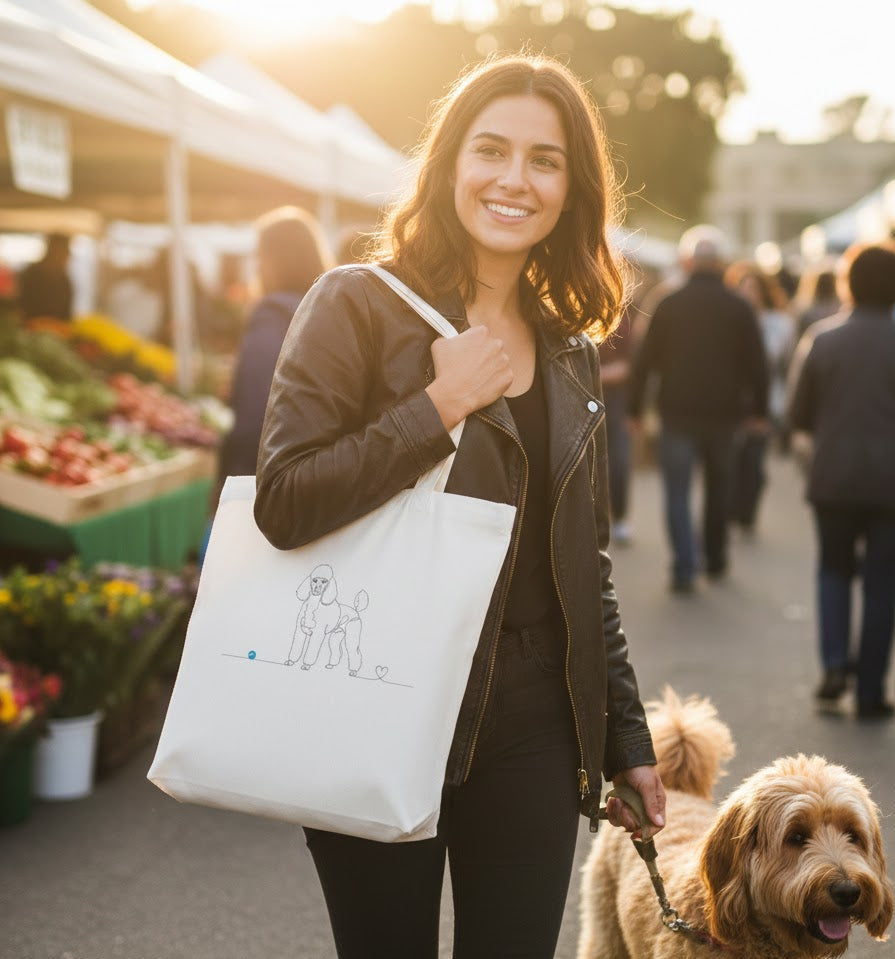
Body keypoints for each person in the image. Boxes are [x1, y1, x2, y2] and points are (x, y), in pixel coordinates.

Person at [253, 54, 666, 958]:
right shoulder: (354, 305)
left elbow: (582, 565)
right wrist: (434, 409)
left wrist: (623, 736)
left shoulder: (568, 349)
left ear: (572, 188)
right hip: (377, 690)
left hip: (532, 715)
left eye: (545, 159)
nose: (514, 179)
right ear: (448, 165)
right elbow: (283, 502)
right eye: (491, 150)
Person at [786, 242, 895, 721]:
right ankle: (870, 688)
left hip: (832, 476)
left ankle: (833, 667)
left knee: (833, 570)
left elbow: (798, 413)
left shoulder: (822, 339)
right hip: (890, 483)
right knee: (882, 583)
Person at [627, 225, 768, 593]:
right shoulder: (739, 306)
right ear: (721, 263)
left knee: (677, 490)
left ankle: (684, 566)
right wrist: (760, 410)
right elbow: (758, 363)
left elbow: (644, 362)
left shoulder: (668, 303)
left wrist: (634, 410)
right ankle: (716, 558)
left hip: (677, 412)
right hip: (726, 413)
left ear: (687, 261)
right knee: (719, 486)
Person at [214, 206, 333, 493]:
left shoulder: (271, 316)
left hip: (271, 482)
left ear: (274, 260)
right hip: (322, 471)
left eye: (259, 256)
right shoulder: (331, 310)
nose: (256, 267)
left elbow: (257, 411)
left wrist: (232, 478)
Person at [724, 259, 796, 529]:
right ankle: (731, 508)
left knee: (754, 462)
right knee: (731, 460)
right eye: (744, 288)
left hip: (767, 402)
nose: (749, 295)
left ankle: (747, 512)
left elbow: (783, 363)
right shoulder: (727, 320)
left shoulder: (780, 324)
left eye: (754, 289)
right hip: (731, 401)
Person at [599, 308, 635, 545]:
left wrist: (595, 373)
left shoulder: (626, 318)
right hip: (582, 396)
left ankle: (619, 518)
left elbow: (631, 364)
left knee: (618, 462)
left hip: (616, 400)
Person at [17, 233, 73, 321]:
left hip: (57, 329)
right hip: (33, 327)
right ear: (53, 250)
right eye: (64, 251)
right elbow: (22, 304)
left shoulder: (64, 279)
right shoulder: (32, 273)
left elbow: (67, 312)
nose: (67, 257)